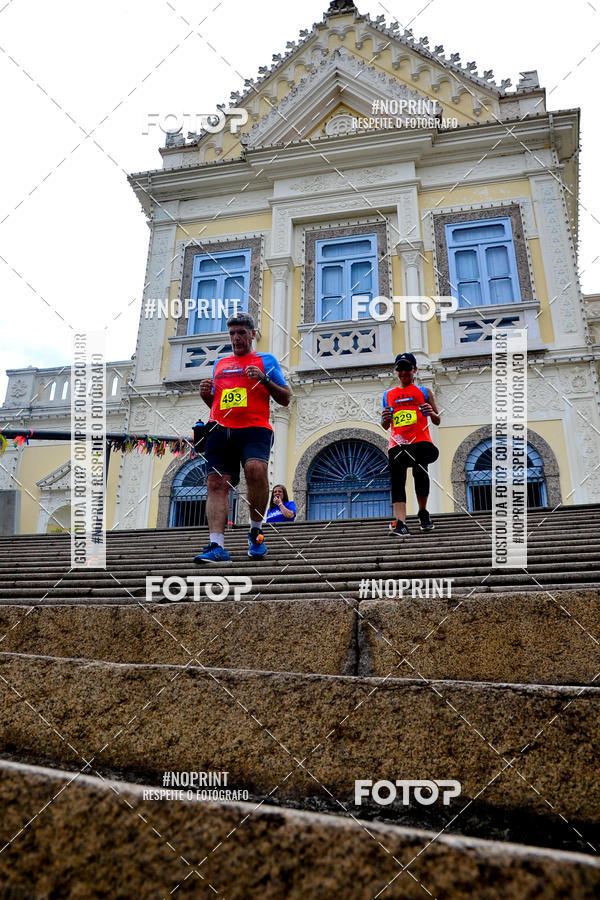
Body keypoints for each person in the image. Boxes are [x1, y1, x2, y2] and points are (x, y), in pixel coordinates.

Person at [194, 312, 291, 562]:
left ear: (252, 334)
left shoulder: (265, 360)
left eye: (241, 333)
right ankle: (216, 545)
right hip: (219, 428)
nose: (236, 338)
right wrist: (206, 395)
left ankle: (256, 532)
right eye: (232, 333)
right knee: (216, 483)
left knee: (255, 470)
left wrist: (265, 379)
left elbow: (286, 397)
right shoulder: (220, 365)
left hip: (255, 427)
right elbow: (217, 403)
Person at [381, 352, 441, 535]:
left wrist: (430, 412)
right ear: (396, 372)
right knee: (398, 481)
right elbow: (385, 425)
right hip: (398, 443)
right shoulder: (388, 394)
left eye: (407, 368)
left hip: (420, 441)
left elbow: (437, 420)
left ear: (414, 370)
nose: (403, 373)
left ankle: (423, 512)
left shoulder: (424, 391)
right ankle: (401, 523)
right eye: (400, 369)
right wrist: (384, 419)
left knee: (420, 473)